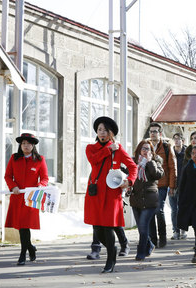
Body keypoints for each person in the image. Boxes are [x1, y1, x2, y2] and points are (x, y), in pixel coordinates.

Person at [84, 116, 137, 273]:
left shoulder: (118, 149)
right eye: (99, 130)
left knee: (108, 228)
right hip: (95, 193)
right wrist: (108, 149)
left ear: (111, 133)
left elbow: (132, 167)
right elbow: (94, 160)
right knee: (97, 229)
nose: (102, 133)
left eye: (105, 130)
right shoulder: (91, 148)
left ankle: (110, 261)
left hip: (112, 194)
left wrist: (129, 181)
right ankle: (113, 249)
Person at [5, 133, 49, 266]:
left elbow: (45, 178)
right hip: (17, 197)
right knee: (21, 226)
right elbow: (7, 176)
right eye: (23, 143)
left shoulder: (39, 159)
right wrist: (13, 187)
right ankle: (30, 247)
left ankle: (23, 253)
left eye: (28, 143)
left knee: (25, 226)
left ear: (33, 145)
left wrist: (39, 187)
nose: (26, 146)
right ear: (20, 145)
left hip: (31, 198)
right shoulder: (14, 158)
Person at [130, 140, 164, 260]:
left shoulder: (156, 161)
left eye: (148, 149)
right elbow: (128, 175)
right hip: (136, 200)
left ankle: (141, 252)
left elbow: (158, 175)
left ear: (151, 151)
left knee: (144, 227)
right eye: (143, 148)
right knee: (141, 228)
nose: (145, 151)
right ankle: (150, 244)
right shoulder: (134, 162)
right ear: (139, 149)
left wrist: (150, 162)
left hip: (150, 200)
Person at [147, 122, 177, 248]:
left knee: (159, 210)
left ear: (160, 133)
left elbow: (172, 167)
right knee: (150, 212)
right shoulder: (145, 146)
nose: (153, 133)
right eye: (151, 131)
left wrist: (172, 186)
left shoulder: (166, 147)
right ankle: (153, 239)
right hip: (148, 185)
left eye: (155, 131)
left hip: (162, 184)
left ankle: (162, 236)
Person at [169, 132, 187, 240]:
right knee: (174, 210)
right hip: (172, 184)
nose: (176, 141)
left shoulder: (186, 153)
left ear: (182, 141)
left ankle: (183, 230)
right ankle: (175, 230)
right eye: (175, 138)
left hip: (184, 185)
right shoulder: (170, 152)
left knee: (182, 209)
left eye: (178, 139)